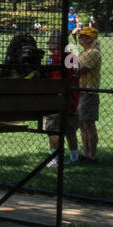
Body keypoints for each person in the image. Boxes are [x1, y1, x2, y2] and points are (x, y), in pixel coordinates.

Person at [43, 29, 80, 167]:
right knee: (70, 131)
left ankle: (54, 159)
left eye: (50, 42)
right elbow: (74, 75)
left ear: (56, 43)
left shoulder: (53, 59)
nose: (48, 45)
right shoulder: (72, 58)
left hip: (56, 100)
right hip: (73, 99)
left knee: (53, 130)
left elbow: (48, 78)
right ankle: (74, 157)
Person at [73, 26, 101, 164]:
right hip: (81, 91)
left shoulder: (93, 53)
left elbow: (81, 70)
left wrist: (71, 66)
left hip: (89, 92)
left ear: (91, 38)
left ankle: (92, 156)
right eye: (80, 36)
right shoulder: (85, 52)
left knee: (88, 124)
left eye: (83, 36)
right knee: (82, 124)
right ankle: (85, 154)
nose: (80, 38)